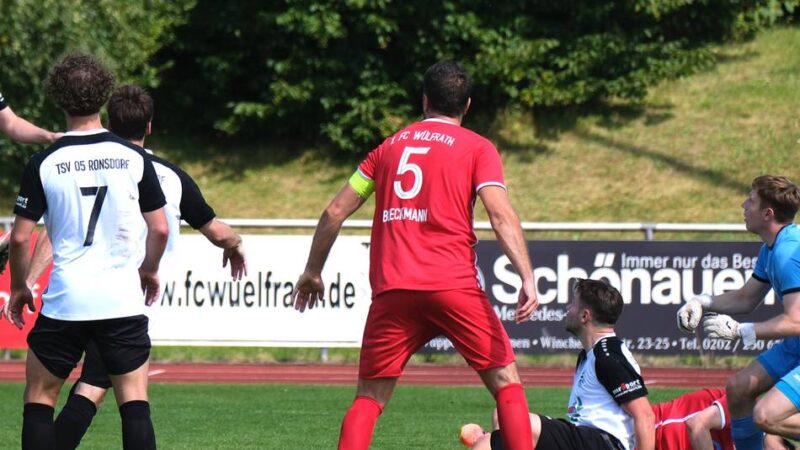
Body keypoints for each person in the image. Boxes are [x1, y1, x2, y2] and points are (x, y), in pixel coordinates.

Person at [292, 60, 539, 450]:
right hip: (453, 285)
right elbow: (500, 214)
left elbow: (334, 211)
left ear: (424, 100)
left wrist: (313, 271)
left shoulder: (387, 149)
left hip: (393, 290)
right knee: (506, 384)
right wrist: (526, 275)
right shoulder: (478, 148)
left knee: (369, 398)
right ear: (467, 105)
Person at [17, 84, 247, 449]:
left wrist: (28, 280)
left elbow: (55, 233)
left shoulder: (71, 163)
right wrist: (235, 244)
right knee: (116, 396)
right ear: (150, 126)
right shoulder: (167, 175)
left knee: (75, 390)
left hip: (76, 297)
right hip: (128, 300)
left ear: (109, 121)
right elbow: (213, 230)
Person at [4, 53, 168, 450]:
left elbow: (21, 238)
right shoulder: (133, 157)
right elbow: (160, 228)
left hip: (66, 301)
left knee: (40, 399)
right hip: (120, 300)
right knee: (135, 403)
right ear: (104, 95)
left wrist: (20, 287)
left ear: (58, 97)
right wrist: (148, 269)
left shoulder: (44, 162)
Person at [676, 175, 800, 450]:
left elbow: (796, 321)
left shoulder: (789, 252)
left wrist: (741, 331)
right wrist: (702, 302)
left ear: (768, 213)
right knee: (738, 388)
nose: (744, 205)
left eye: (751, 200)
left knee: (766, 416)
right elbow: (746, 298)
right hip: (796, 346)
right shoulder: (772, 248)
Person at [461, 387, 795, 450]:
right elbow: (696, 426)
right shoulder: (745, 406)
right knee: (509, 417)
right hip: (630, 436)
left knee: (506, 424)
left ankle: (487, 438)